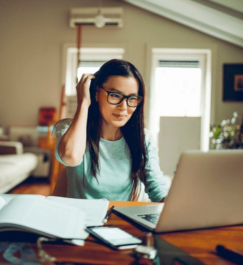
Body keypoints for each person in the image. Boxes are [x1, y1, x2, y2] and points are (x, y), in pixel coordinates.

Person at [54, 59, 169, 202]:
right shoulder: (69, 129)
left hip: (119, 221)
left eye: (132, 98)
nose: (124, 107)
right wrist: (83, 103)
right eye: (115, 95)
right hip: (78, 220)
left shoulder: (142, 139)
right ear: (96, 93)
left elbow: (157, 187)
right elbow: (70, 157)